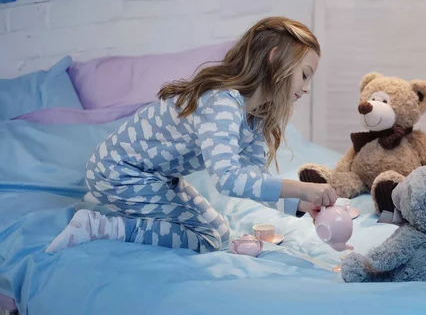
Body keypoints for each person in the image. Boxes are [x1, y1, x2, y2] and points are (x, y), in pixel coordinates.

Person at [45, 16, 337, 254]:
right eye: (305, 74)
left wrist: (299, 205)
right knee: (207, 239)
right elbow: (228, 179)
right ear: (275, 60)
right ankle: (100, 225)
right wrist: (300, 188)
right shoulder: (223, 102)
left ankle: (121, 207)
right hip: (119, 171)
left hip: (156, 177)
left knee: (219, 233)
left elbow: (251, 179)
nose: (307, 87)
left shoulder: (256, 116)